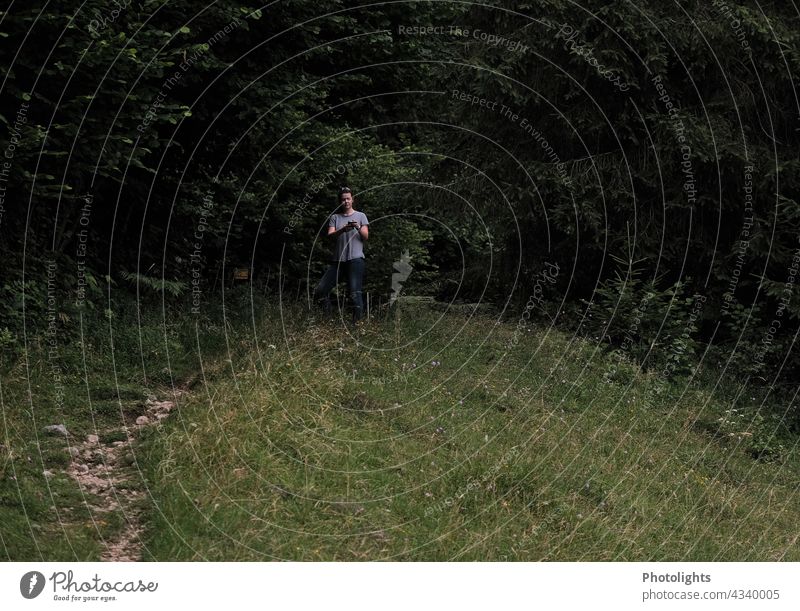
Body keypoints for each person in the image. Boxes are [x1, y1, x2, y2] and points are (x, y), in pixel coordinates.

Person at [312, 186, 369, 323]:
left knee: (355, 293)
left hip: (355, 260)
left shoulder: (361, 216)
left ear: (352, 199)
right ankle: (327, 319)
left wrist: (357, 226)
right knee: (321, 290)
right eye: (343, 199)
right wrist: (343, 229)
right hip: (338, 261)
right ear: (340, 201)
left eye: (348, 199)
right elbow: (330, 235)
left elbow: (365, 236)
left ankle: (357, 325)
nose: (346, 202)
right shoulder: (335, 217)